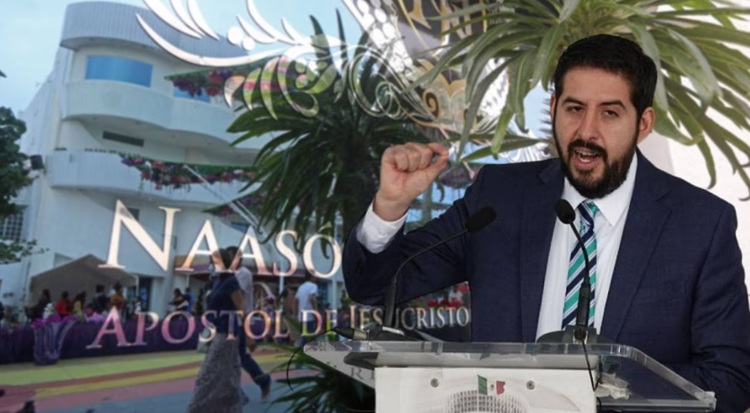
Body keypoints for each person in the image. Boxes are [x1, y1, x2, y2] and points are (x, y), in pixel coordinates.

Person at [342, 34, 750, 413]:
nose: (586, 132)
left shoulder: (699, 224)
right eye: (574, 109)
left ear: (643, 124)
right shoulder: (499, 197)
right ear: (554, 107)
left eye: (610, 113)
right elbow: (375, 285)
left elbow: (730, 381)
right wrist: (390, 205)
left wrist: (600, 385)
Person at [187, 248, 249, 413]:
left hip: (227, 333)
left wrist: (248, 335)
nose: (211, 266)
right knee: (229, 372)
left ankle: (197, 408)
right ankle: (234, 403)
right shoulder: (218, 283)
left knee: (208, 374)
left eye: (213, 263)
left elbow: (241, 308)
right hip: (218, 330)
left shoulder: (231, 282)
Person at [224, 245, 271, 400]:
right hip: (229, 321)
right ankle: (237, 391)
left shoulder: (243, 274)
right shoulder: (230, 274)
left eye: (231, 256)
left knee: (239, 357)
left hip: (238, 321)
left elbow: (238, 299)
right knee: (232, 357)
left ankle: (260, 381)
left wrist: (247, 331)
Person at [295, 270, 319, 345]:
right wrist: (316, 312)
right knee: (311, 339)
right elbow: (311, 298)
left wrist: (296, 314)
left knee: (304, 338)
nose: (316, 277)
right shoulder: (313, 286)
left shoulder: (301, 287)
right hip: (310, 316)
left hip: (301, 317)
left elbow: (296, 301)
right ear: (311, 277)